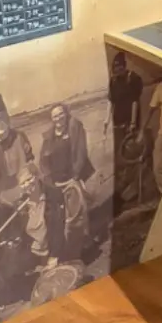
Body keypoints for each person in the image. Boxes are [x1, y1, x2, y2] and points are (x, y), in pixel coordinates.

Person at [36, 103, 95, 268]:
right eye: (55, 116)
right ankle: (62, 249)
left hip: (72, 179)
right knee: (59, 217)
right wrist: (49, 180)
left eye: (61, 114)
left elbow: (81, 152)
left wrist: (75, 177)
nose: (59, 118)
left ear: (66, 113)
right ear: (51, 119)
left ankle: (85, 243)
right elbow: (43, 161)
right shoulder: (49, 136)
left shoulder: (74, 127)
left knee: (78, 212)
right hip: (55, 183)